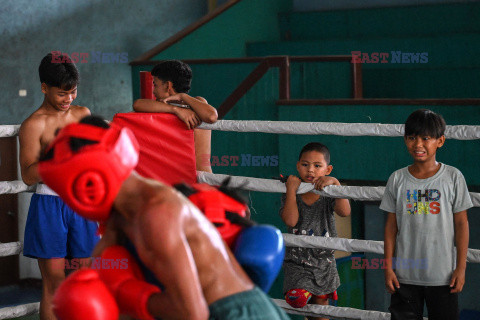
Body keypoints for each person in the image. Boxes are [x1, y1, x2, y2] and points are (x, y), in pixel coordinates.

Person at [38, 116, 289, 320]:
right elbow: (101, 271)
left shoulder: (157, 213)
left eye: (65, 192)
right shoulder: (121, 216)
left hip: (237, 312)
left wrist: (126, 293)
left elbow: (192, 314)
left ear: (88, 183)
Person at [18, 52, 99, 320]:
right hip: (49, 205)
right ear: (44, 88)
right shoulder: (33, 125)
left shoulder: (82, 114)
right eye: (62, 94)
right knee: (54, 283)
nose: (68, 100)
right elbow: (28, 175)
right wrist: (57, 159)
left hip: (81, 202)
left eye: (72, 92)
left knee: (83, 278)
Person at [381, 109, 472, 320]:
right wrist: (388, 268)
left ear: (440, 141)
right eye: (412, 138)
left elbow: (462, 225)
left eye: (426, 138)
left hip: (443, 277)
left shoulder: (453, 177)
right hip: (404, 277)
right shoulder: (397, 179)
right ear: (405, 140)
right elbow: (390, 227)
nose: (418, 144)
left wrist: (461, 268)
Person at [280, 142, 351, 320]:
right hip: (297, 261)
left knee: (320, 310)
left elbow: (345, 212)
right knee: (296, 299)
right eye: (305, 165)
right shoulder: (292, 191)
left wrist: (335, 183)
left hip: (323, 261)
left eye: (317, 166)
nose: (310, 170)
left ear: (328, 169)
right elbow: (291, 220)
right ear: (298, 166)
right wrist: (290, 190)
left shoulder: (328, 191)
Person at [133, 59, 218, 173]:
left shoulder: (197, 102)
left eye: (155, 84)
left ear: (168, 85)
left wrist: (183, 96)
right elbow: (137, 104)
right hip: (180, 176)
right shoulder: (161, 105)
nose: (154, 91)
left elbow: (211, 116)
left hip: (202, 175)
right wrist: (175, 110)